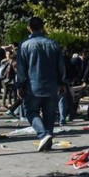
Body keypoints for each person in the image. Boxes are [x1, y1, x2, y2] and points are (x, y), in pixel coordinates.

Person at [15, 17, 67, 152]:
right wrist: (62, 82)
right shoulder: (53, 44)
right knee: (50, 114)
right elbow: (61, 66)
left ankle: (43, 135)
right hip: (51, 84)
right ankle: (47, 140)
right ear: (43, 27)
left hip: (33, 85)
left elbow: (21, 68)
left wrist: (20, 85)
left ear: (29, 27)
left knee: (31, 111)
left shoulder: (25, 45)